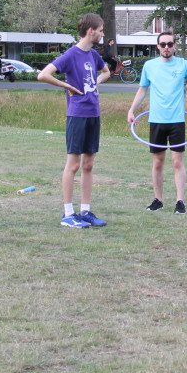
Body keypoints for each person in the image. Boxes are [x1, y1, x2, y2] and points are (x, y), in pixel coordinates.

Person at [39, 13, 112, 228]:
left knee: (88, 165)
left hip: (93, 114)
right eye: (100, 30)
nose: (102, 33)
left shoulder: (93, 55)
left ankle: (85, 211)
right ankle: (68, 214)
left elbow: (106, 71)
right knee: (73, 166)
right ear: (91, 31)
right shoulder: (71, 54)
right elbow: (43, 75)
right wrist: (68, 87)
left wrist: (95, 83)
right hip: (77, 115)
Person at [128, 31, 187, 215]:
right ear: (158, 46)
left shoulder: (185, 65)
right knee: (158, 162)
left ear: (175, 45)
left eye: (170, 44)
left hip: (177, 120)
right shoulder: (149, 66)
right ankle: (158, 200)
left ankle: (180, 201)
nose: (166, 47)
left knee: (177, 162)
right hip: (156, 120)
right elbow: (142, 90)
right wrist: (132, 110)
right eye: (163, 44)